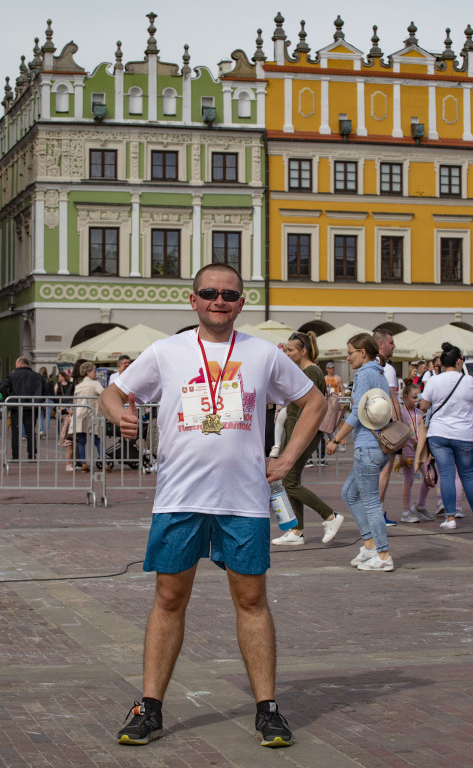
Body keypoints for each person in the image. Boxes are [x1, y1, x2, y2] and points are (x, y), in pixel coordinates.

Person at [100, 263, 326, 748]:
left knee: (250, 600)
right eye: (209, 293)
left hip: (242, 501)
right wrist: (121, 412)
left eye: (229, 295)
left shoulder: (264, 355)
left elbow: (314, 402)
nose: (219, 301)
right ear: (193, 299)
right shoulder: (166, 351)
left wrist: (286, 459)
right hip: (179, 498)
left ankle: (267, 709)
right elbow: (113, 392)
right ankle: (149, 708)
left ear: (241, 302)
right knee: (168, 599)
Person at [326, 333, 395, 571]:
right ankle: (369, 545)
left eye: (351, 352)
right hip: (378, 443)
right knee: (349, 493)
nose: (348, 357)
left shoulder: (365, 374)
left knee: (371, 502)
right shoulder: (379, 372)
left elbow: (356, 413)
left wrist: (336, 438)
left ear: (363, 352)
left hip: (368, 445)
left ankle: (383, 555)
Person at [271, 331, 344, 546]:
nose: (287, 352)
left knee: (289, 481)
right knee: (289, 480)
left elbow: (310, 409)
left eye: (290, 350)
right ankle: (296, 531)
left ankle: (329, 516)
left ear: (303, 351)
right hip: (297, 428)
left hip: (302, 430)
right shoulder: (305, 370)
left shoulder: (311, 372)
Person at [416, 342, 473, 530]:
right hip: (464, 433)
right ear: (459, 361)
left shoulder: (434, 381)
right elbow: (472, 398)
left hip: (439, 433)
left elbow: (423, 406)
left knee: (446, 475)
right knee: (468, 475)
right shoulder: (468, 380)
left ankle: (450, 518)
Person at [372, 328, 401, 527]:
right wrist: (399, 426)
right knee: (385, 469)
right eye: (391, 342)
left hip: (371, 422)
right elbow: (393, 399)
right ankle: (378, 511)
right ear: (381, 344)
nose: (394, 346)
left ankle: (373, 511)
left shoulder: (367, 365)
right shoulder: (386, 368)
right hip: (385, 423)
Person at [396, 383, 432, 523]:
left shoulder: (420, 412)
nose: (417, 400)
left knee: (430, 477)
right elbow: (399, 433)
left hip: (421, 452)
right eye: (414, 397)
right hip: (408, 451)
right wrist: (401, 453)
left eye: (419, 397)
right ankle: (406, 511)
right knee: (409, 480)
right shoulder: (401, 413)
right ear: (405, 397)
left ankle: (420, 505)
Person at [1, 357, 44, 461]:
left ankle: (15, 455)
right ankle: (32, 455)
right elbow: (46, 389)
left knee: (15, 432)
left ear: (20, 364)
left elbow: (2, 387)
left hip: (16, 406)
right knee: (30, 431)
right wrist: (40, 401)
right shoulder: (37, 376)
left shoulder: (12, 375)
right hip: (31, 407)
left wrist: (8, 398)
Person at [73, 362, 104, 471]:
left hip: (79, 414)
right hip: (91, 414)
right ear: (88, 372)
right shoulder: (95, 384)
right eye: (93, 371)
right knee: (97, 440)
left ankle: (83, 464)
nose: (95, 374)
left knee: (82, 440)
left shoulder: (78, 385)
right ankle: (104, 463)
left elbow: (75, 401)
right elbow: (103, 393)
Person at [55, 370, 75, 472]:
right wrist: (68, 410)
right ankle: (68, 464)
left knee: (72, 447)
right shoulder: (68, 402)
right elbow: (66, 411)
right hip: (68, 428)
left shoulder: (70, 399)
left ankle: (72, 463)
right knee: (70, 447)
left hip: (72, 427)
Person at [38, 366, 55, 438]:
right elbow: (52, 392)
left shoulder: (38, 380)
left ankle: (40, 430)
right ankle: (45, 433)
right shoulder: (50, 380)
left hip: (41, 399)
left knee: (41, 416)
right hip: (49, 399)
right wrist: (55, 401)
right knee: (48, 417)